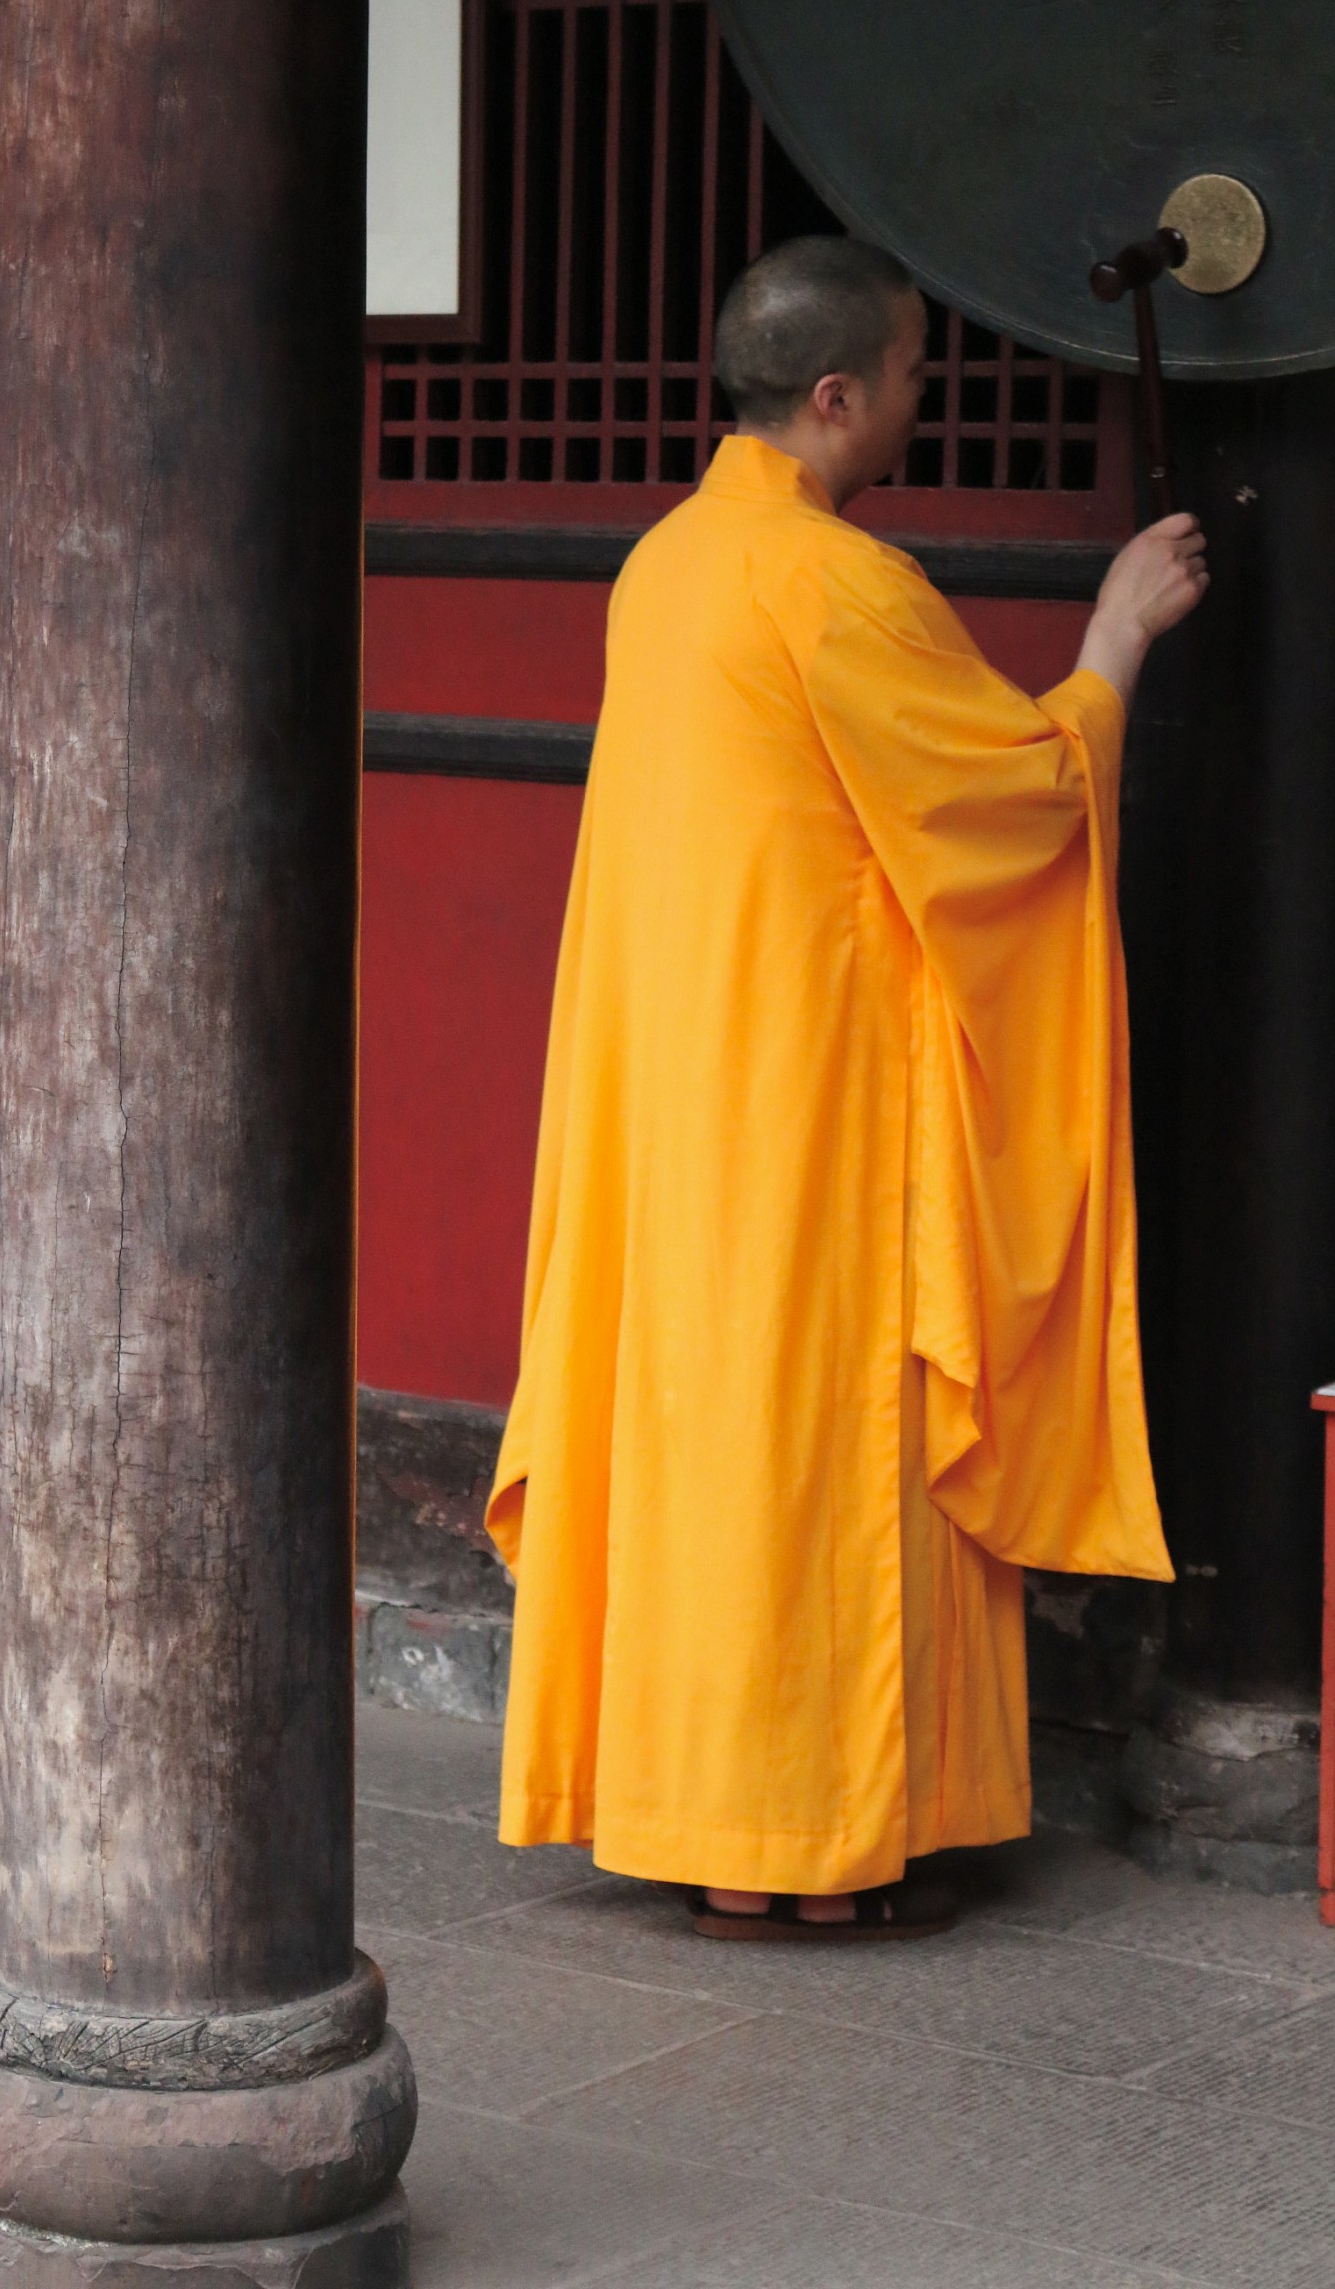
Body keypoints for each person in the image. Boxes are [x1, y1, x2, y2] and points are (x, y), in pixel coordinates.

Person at [484, 236, 1207, 1941]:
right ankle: (806, 1855)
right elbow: (1015, 797)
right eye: (906, 374)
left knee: (703, 1438)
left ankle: (704, 1818)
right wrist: (1115, 639)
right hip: (810, 1104)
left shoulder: (662, 567)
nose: (917, 398)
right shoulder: (831, 586)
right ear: (833, 397)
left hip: (681, 1096)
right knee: (817, 1450)